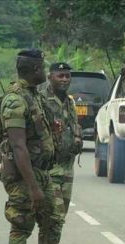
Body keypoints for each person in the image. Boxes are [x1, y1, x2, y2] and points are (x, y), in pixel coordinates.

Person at [0, 49, 68, 244]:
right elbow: (18, 146)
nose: (46, 71)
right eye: (44, 67)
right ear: (35, 69)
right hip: (23, 175)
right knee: (21, 225)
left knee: (53, 221)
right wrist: (33, 187)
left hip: (43, 172)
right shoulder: (15, 100)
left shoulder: (34, 95)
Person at [40, 63, 82, 214]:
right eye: (60, 76)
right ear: (50, 77)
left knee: (59, 219)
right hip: (50, 170)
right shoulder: (41, 100)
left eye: (67, 76)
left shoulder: (69, 102)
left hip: (67, 168)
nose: (64, 79)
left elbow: (75, 125)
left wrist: (77, 137)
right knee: (54, 217)